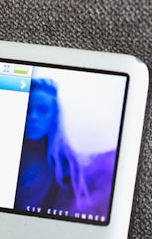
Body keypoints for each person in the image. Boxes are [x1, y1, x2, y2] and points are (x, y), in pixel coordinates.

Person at [13, 77, 112, 218]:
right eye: (27, 109)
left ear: (54, 116)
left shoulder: (65, 165)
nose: (32, 117)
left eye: (42, 110)